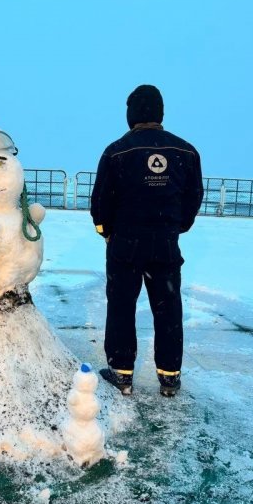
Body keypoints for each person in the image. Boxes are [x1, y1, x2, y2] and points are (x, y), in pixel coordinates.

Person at [90, 85, 203, 397]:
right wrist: (177, 226)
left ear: (131, 114)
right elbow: (193, 197)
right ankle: (170, 376)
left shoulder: (116, 151)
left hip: (125, 243)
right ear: (160, 112)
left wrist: (106, 231)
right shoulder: (186, 151)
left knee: (122, 307)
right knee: (168, 308)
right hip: (165, 244)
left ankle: (121, 372)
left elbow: (100, 201)